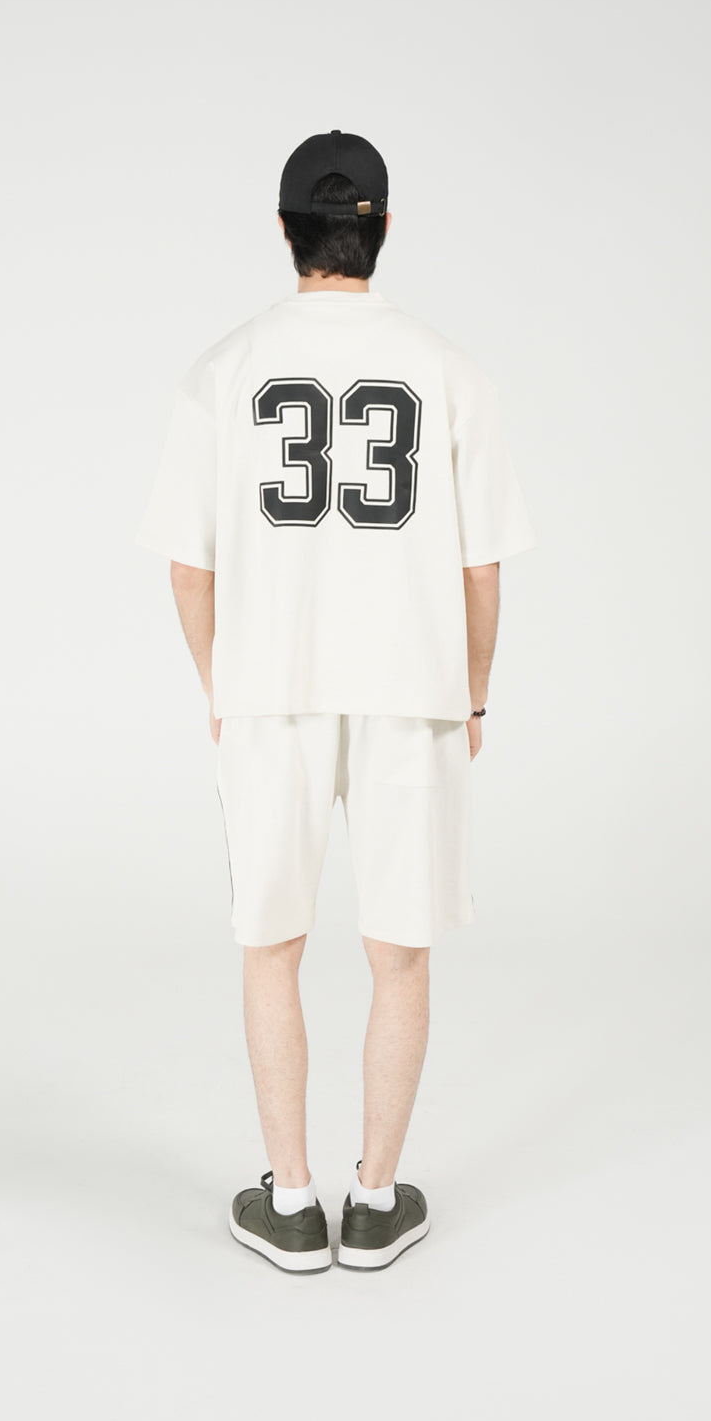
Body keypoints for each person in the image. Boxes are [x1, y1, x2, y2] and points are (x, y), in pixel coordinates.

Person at [135, 129, 537, 1274]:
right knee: (398, 951)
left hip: (271, 688)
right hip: (414, 688)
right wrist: (474, 695)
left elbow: (188, 566)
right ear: (383, 228)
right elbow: (481, 567)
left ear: (284, 230)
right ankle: (374, 1201)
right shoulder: (450, 370)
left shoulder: (223, 369)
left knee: (271, 944)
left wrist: (220, 684)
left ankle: (290, 1201)